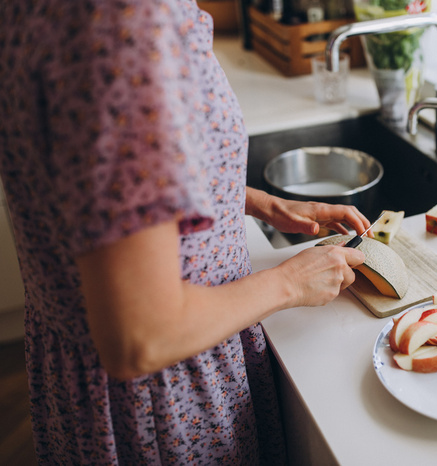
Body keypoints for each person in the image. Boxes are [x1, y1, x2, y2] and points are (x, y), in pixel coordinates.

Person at [0, 1, 369, 464]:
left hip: (85, 382)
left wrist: (259, 201)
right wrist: (291, 282)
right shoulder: (122, 22)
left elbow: (98, 179)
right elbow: (142, 336)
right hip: (161, 404)